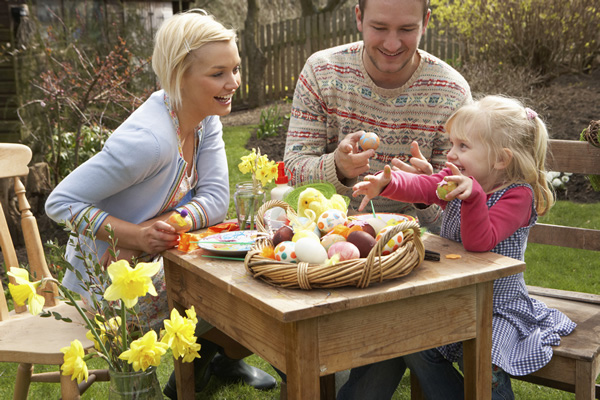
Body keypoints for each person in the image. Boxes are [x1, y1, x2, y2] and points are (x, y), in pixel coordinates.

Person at [44, 9, 276, 399]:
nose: (233, 82)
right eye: (218, 73)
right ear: (179, 75)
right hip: (105, 283)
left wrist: (155, 231)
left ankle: (218, 360)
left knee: (247, 271)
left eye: (235, 69)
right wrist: (133, 235)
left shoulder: (205, 117)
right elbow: (60, 202)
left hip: (149, 261)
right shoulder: (148, 141)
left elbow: (216, 201)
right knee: (239, 292)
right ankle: (214, 359)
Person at [348, 95, 577, 399]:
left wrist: (473, 198)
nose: (451, 155)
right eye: (452, 144)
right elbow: (426, 186)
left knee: (484, 358)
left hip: (497, 306)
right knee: (418, 346)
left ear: (500, 159)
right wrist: (387, 184)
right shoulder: (460, 178)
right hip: (454, 293)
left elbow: (479, 241)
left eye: (463, 147)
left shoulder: (518, 196)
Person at [283, 0, 471, 232]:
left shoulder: (452, 93)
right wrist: (337, 167)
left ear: (425, 23)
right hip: (327, 239)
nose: (392, 44)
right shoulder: (321, 73)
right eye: (380, 28)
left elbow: (460, 217)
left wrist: (424, 192)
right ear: (359, 17)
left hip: (413, 246)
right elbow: (293, 169)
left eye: (407, 29)